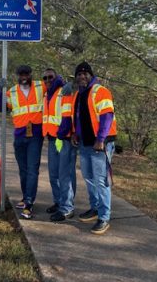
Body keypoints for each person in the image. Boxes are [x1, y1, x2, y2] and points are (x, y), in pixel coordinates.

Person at [71, 61, 117, 235]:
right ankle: (95, 207)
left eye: (85, 74)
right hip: (84, 143)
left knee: (101, 180)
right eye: (79, 74)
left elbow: (107, 116)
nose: (82, 76)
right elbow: (77, 118)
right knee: (89, 177)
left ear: (91, 75)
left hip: (100, 144)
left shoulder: (100, 91)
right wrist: (75, 133)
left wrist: (101, 139)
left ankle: (104, 217)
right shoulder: (78, 95)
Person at [0, 64, 46, 219]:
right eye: (21, 74)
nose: (24, 77)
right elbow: (1, 107)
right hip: (19, 135)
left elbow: (55, 86)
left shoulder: (40, 86)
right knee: (23, 170)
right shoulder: (11, 91)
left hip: (35, 136)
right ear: (17, 76)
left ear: (31, 74)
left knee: (32, 169)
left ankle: (29, 203)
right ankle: (25, 197)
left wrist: (64, 84)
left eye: (26, 74)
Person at [41, 68, 77, 222]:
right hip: (52, 139)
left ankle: (67, 208)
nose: (48, 80)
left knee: (65, 175)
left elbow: (68, 115)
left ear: (56, 77)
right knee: (53, 175)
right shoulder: (46, 94)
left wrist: (62, 135)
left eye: (50, 77)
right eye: (45, 78)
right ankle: (59, 202)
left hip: (64, 140)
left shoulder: (64, 91)